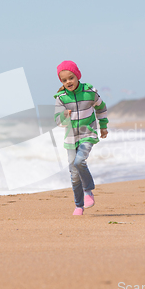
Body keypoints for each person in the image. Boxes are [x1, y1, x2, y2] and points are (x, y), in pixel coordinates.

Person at [54, 60, 108, 215]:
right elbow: (58, 121)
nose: (68, 82)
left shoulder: (89, 92)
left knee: (79, 161)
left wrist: (103, 126)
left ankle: (88, 190)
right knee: (74, 173)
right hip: (71, 138)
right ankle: (79, 205)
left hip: (87, 134)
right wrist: (64, 115)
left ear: (77, 76)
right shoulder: (61, 98)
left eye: (71, 77)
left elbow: (101, 107)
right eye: (64, 80)